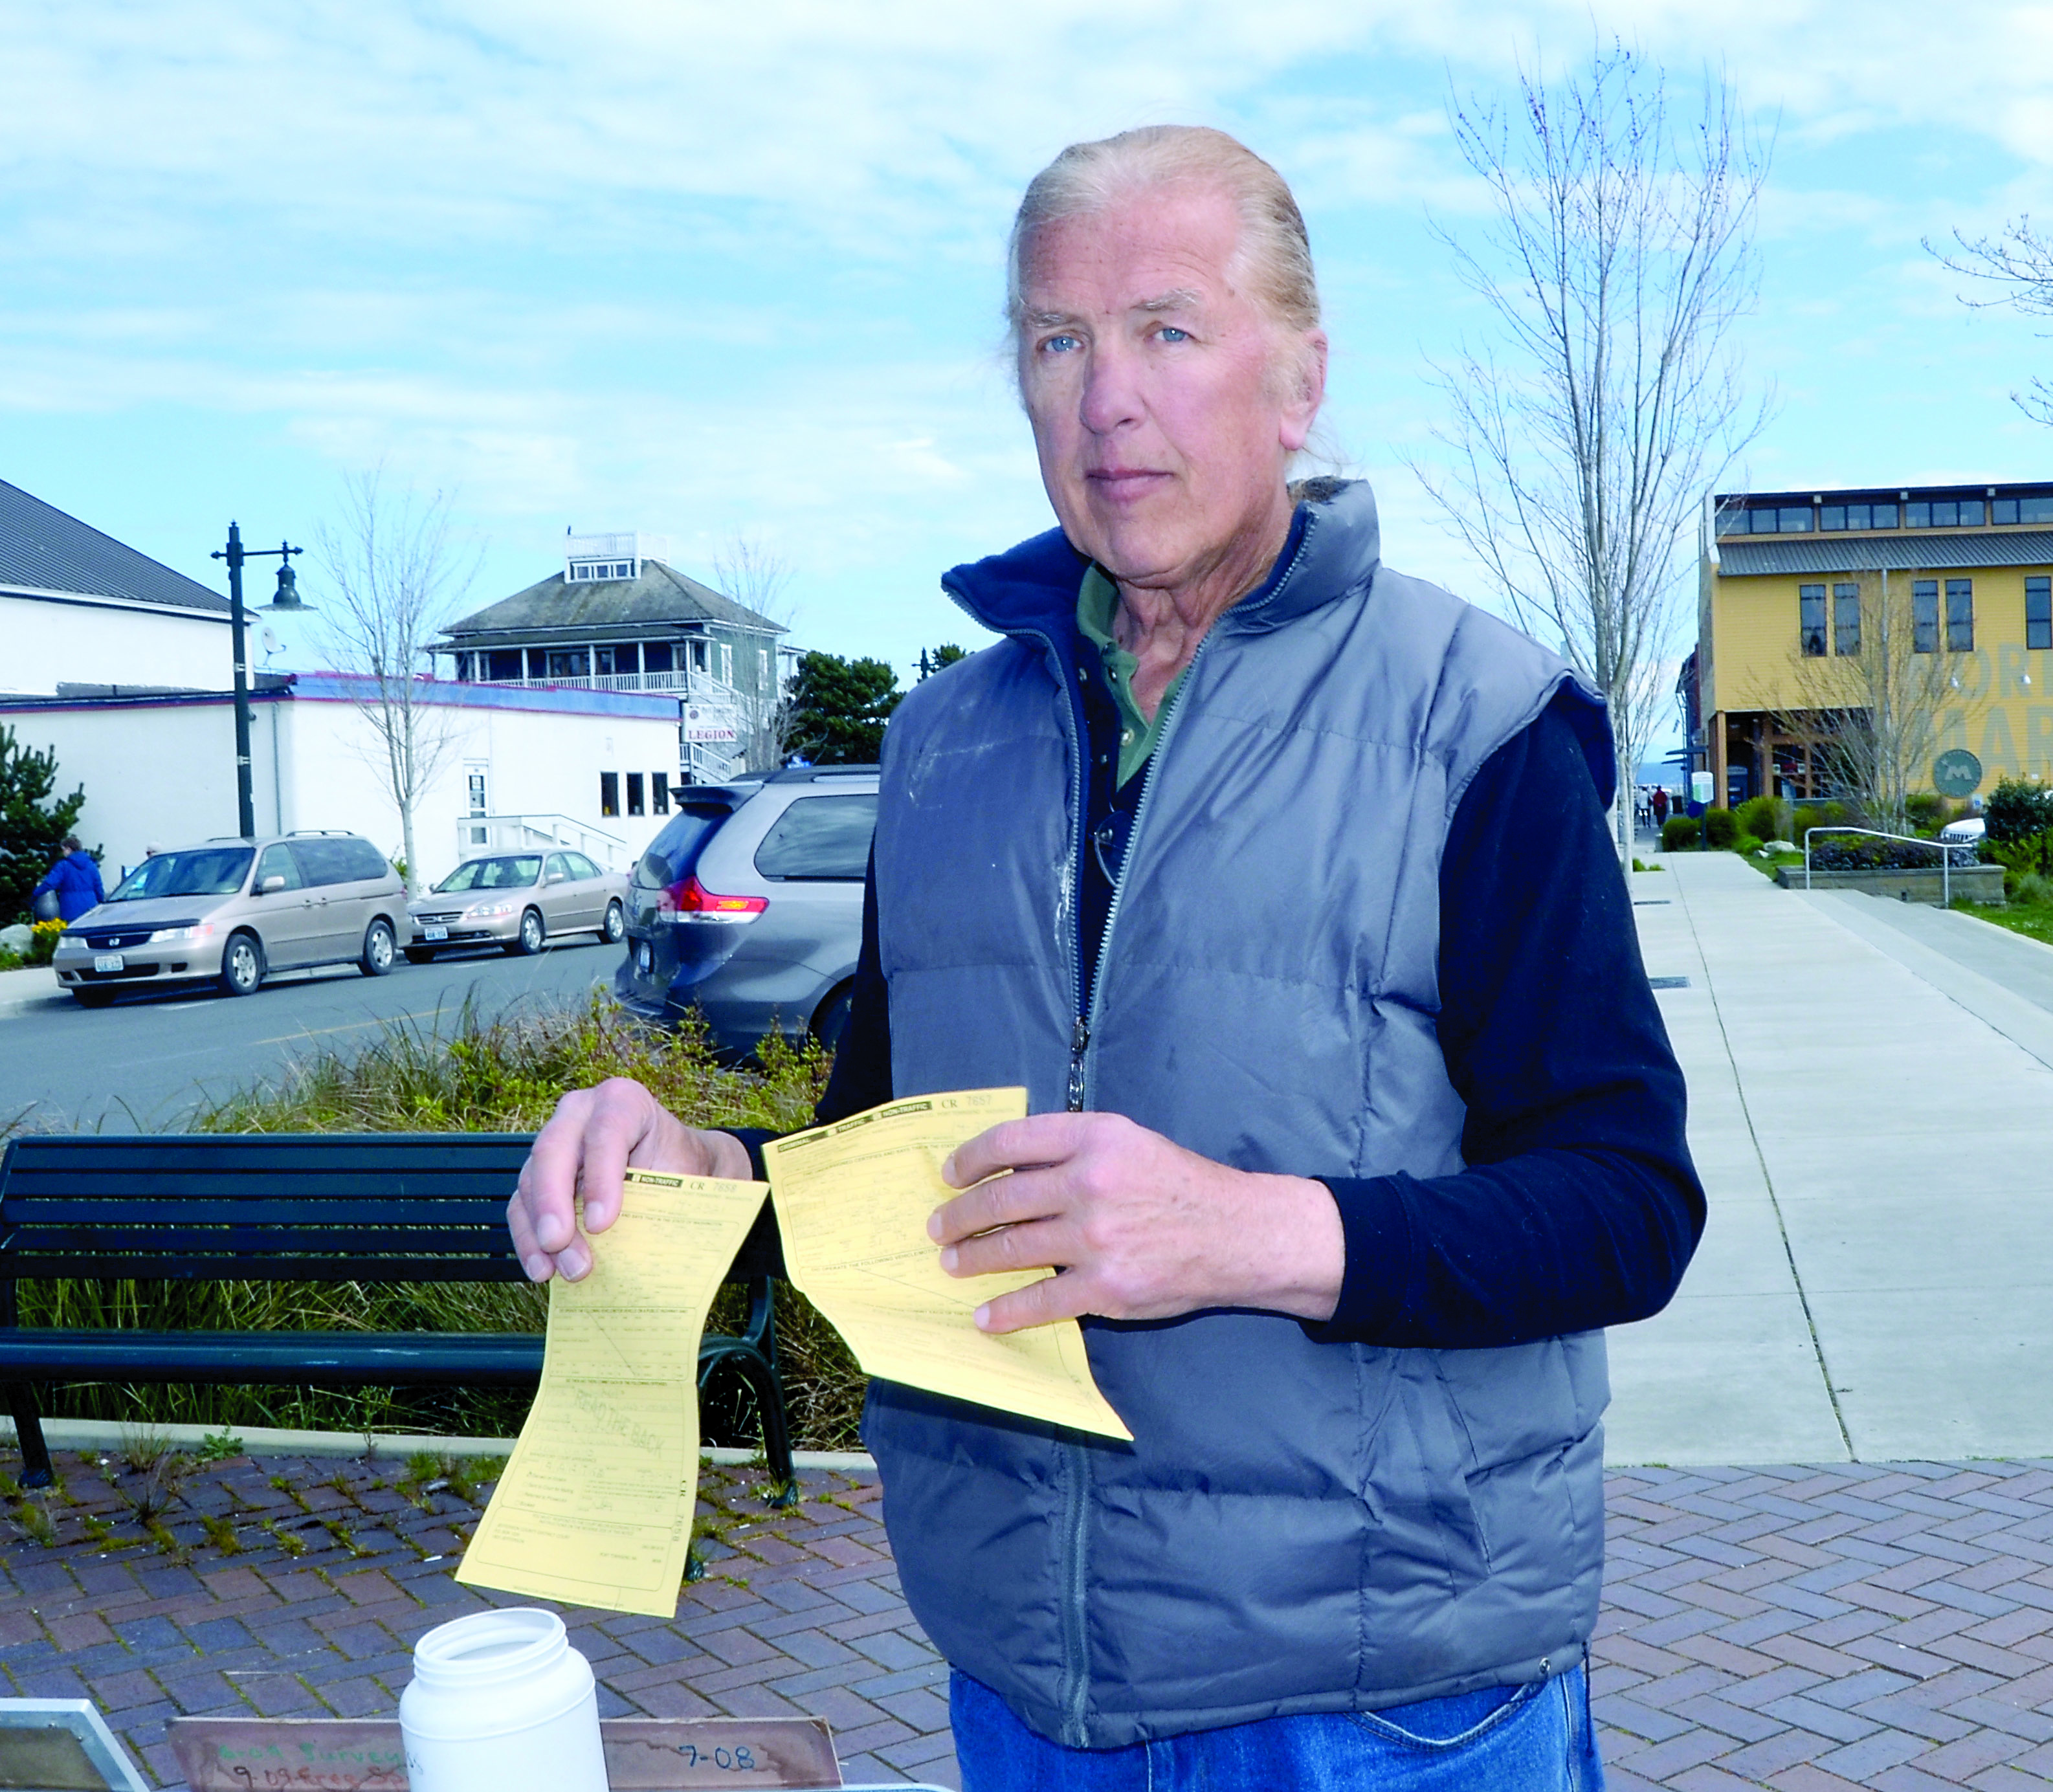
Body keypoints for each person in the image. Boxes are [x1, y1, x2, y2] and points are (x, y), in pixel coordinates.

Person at [511, 126, 1702, 1789]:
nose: (1105, 396)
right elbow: (889, 1165)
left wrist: (1247, 1233)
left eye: (1166, 327)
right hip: (1025, 1687)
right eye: (1056, 339)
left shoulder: (1475, 721)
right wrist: (699, 1168)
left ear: (1298, 378)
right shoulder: (938, 744)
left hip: (1381, 1700)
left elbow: (1631, 1203)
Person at [30, 835, 105, 922]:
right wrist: (101, 902)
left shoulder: (63, 865)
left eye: (63, 850)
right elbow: (98, 887)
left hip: (70, 909)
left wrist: (35, 894)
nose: (63, 853)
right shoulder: (91, 865)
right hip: (91, 909)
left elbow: (50, 883)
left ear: (69, 849)